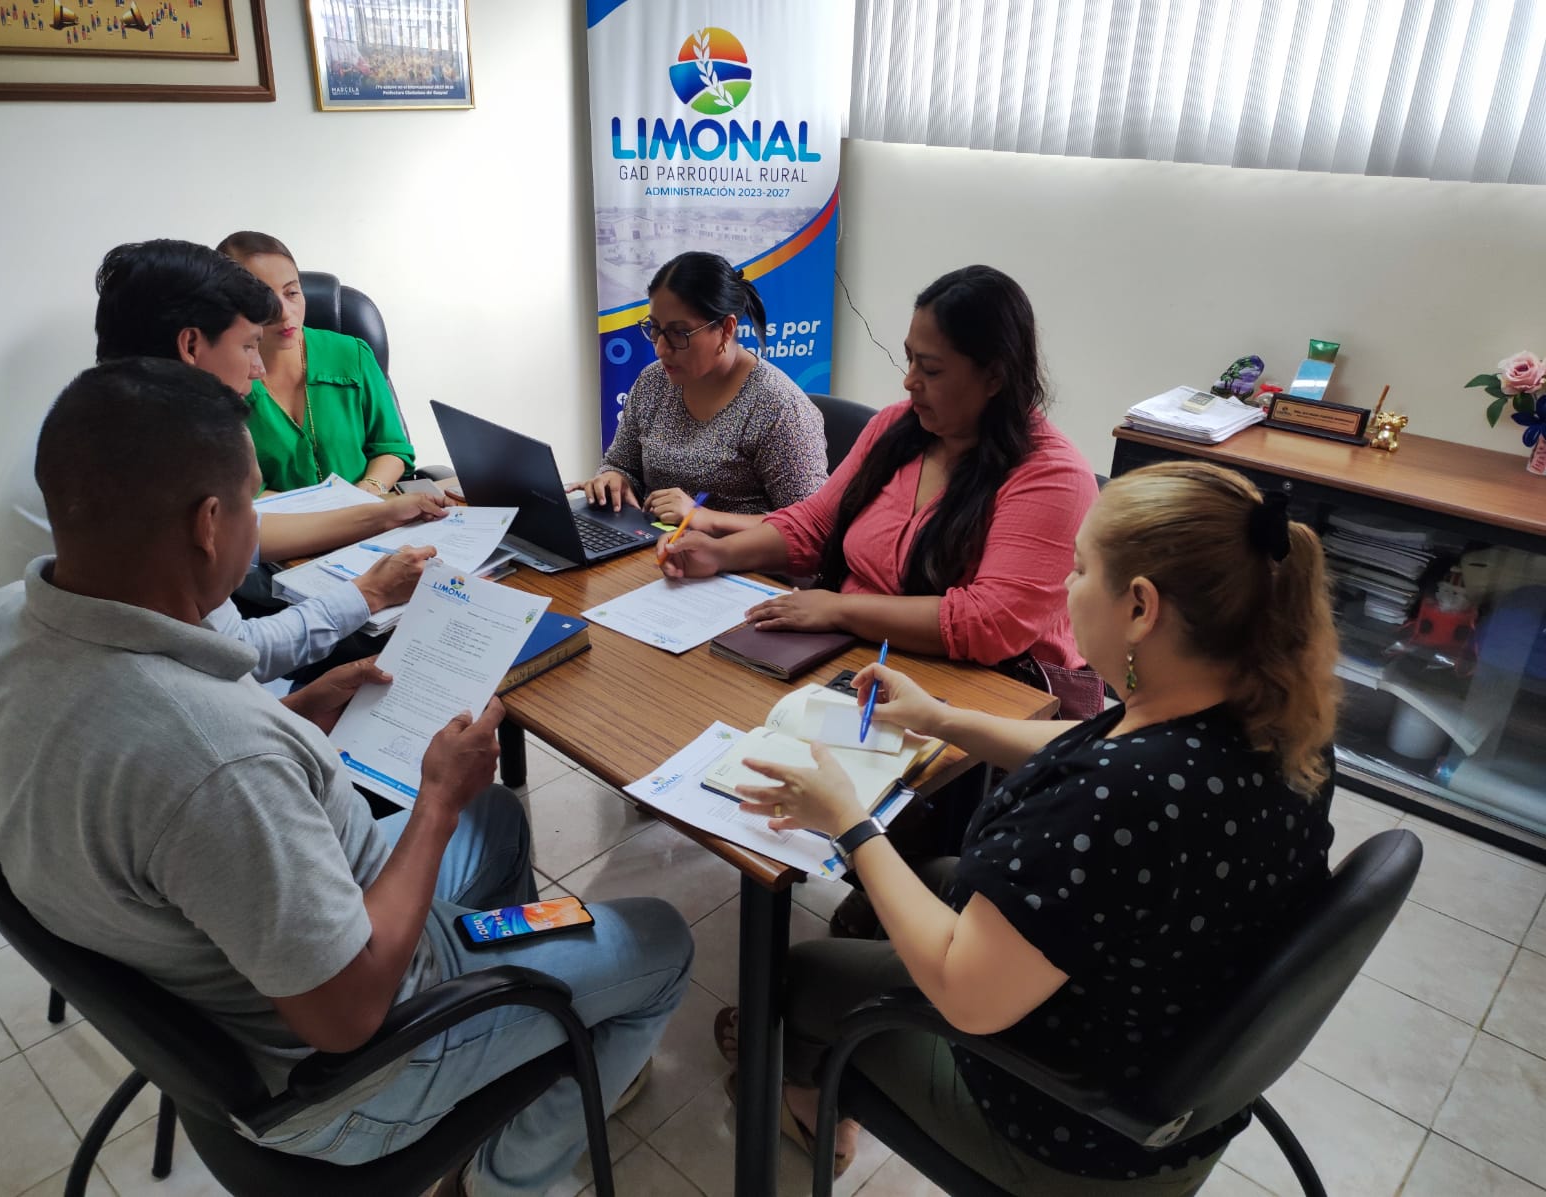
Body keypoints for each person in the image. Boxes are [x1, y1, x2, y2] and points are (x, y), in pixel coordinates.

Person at [0, 359, 693, 1197]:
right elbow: (350, 1014)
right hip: (351, 1069)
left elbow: (158, 793)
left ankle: (514, 1031)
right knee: (662, 939)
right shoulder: (218, 763)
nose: (258, 523)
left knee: (498, 820)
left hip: (252, 944)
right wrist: (435, 802)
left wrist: (298, 715)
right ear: (209, 525)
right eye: (254, 502)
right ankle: (503, 1176)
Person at [712, 460, 1341, 1191]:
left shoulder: (1118, 797)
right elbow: (1091, 742)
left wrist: (848, 822)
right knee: (924, 883)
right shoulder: (1272, 719)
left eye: (1080, 569)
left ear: (1141, 607)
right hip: (1168, 1050)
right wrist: (942, 718)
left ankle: (801, 1103)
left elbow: (966, 995)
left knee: (799, 976)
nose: (1067, 588)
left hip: (1077, 1131)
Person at [0, 239, 446, 681]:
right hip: (127, 687)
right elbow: (242, 651)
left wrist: (377, 514)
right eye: (248, 346)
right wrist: (370, 591)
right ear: (190, 346)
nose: (259, 368)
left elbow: (248, 533)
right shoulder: (151, 461)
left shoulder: (95, 420)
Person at [660, 265, 1097, 692]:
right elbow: (814, 525)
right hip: (864, 657)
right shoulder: (896, 428)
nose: (909, 381)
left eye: (931, 369)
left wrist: (841, 610)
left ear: (995, 377)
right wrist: (720, 554)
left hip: (987, 690)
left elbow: (988, 623)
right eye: (910, 359)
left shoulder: (1052, 476)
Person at [573, 251, 827, 530]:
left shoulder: (779, 408)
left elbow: (811, 527)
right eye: (655, 329)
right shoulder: (654, 381)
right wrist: (613, 478)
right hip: (653, 545)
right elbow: (621, 464)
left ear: (726, 329)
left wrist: (702, 517)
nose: (660, 349)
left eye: (679, 333)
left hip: (736, 556)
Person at [218, 230, 417, 495]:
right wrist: (320, 514)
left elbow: (392, 448)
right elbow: (241, 489)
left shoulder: (351, 353)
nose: (284, 313)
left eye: (291, 292)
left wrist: (368, 491)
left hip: (370, 510)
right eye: (262, 299)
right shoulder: (224, 378)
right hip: (280, 520)